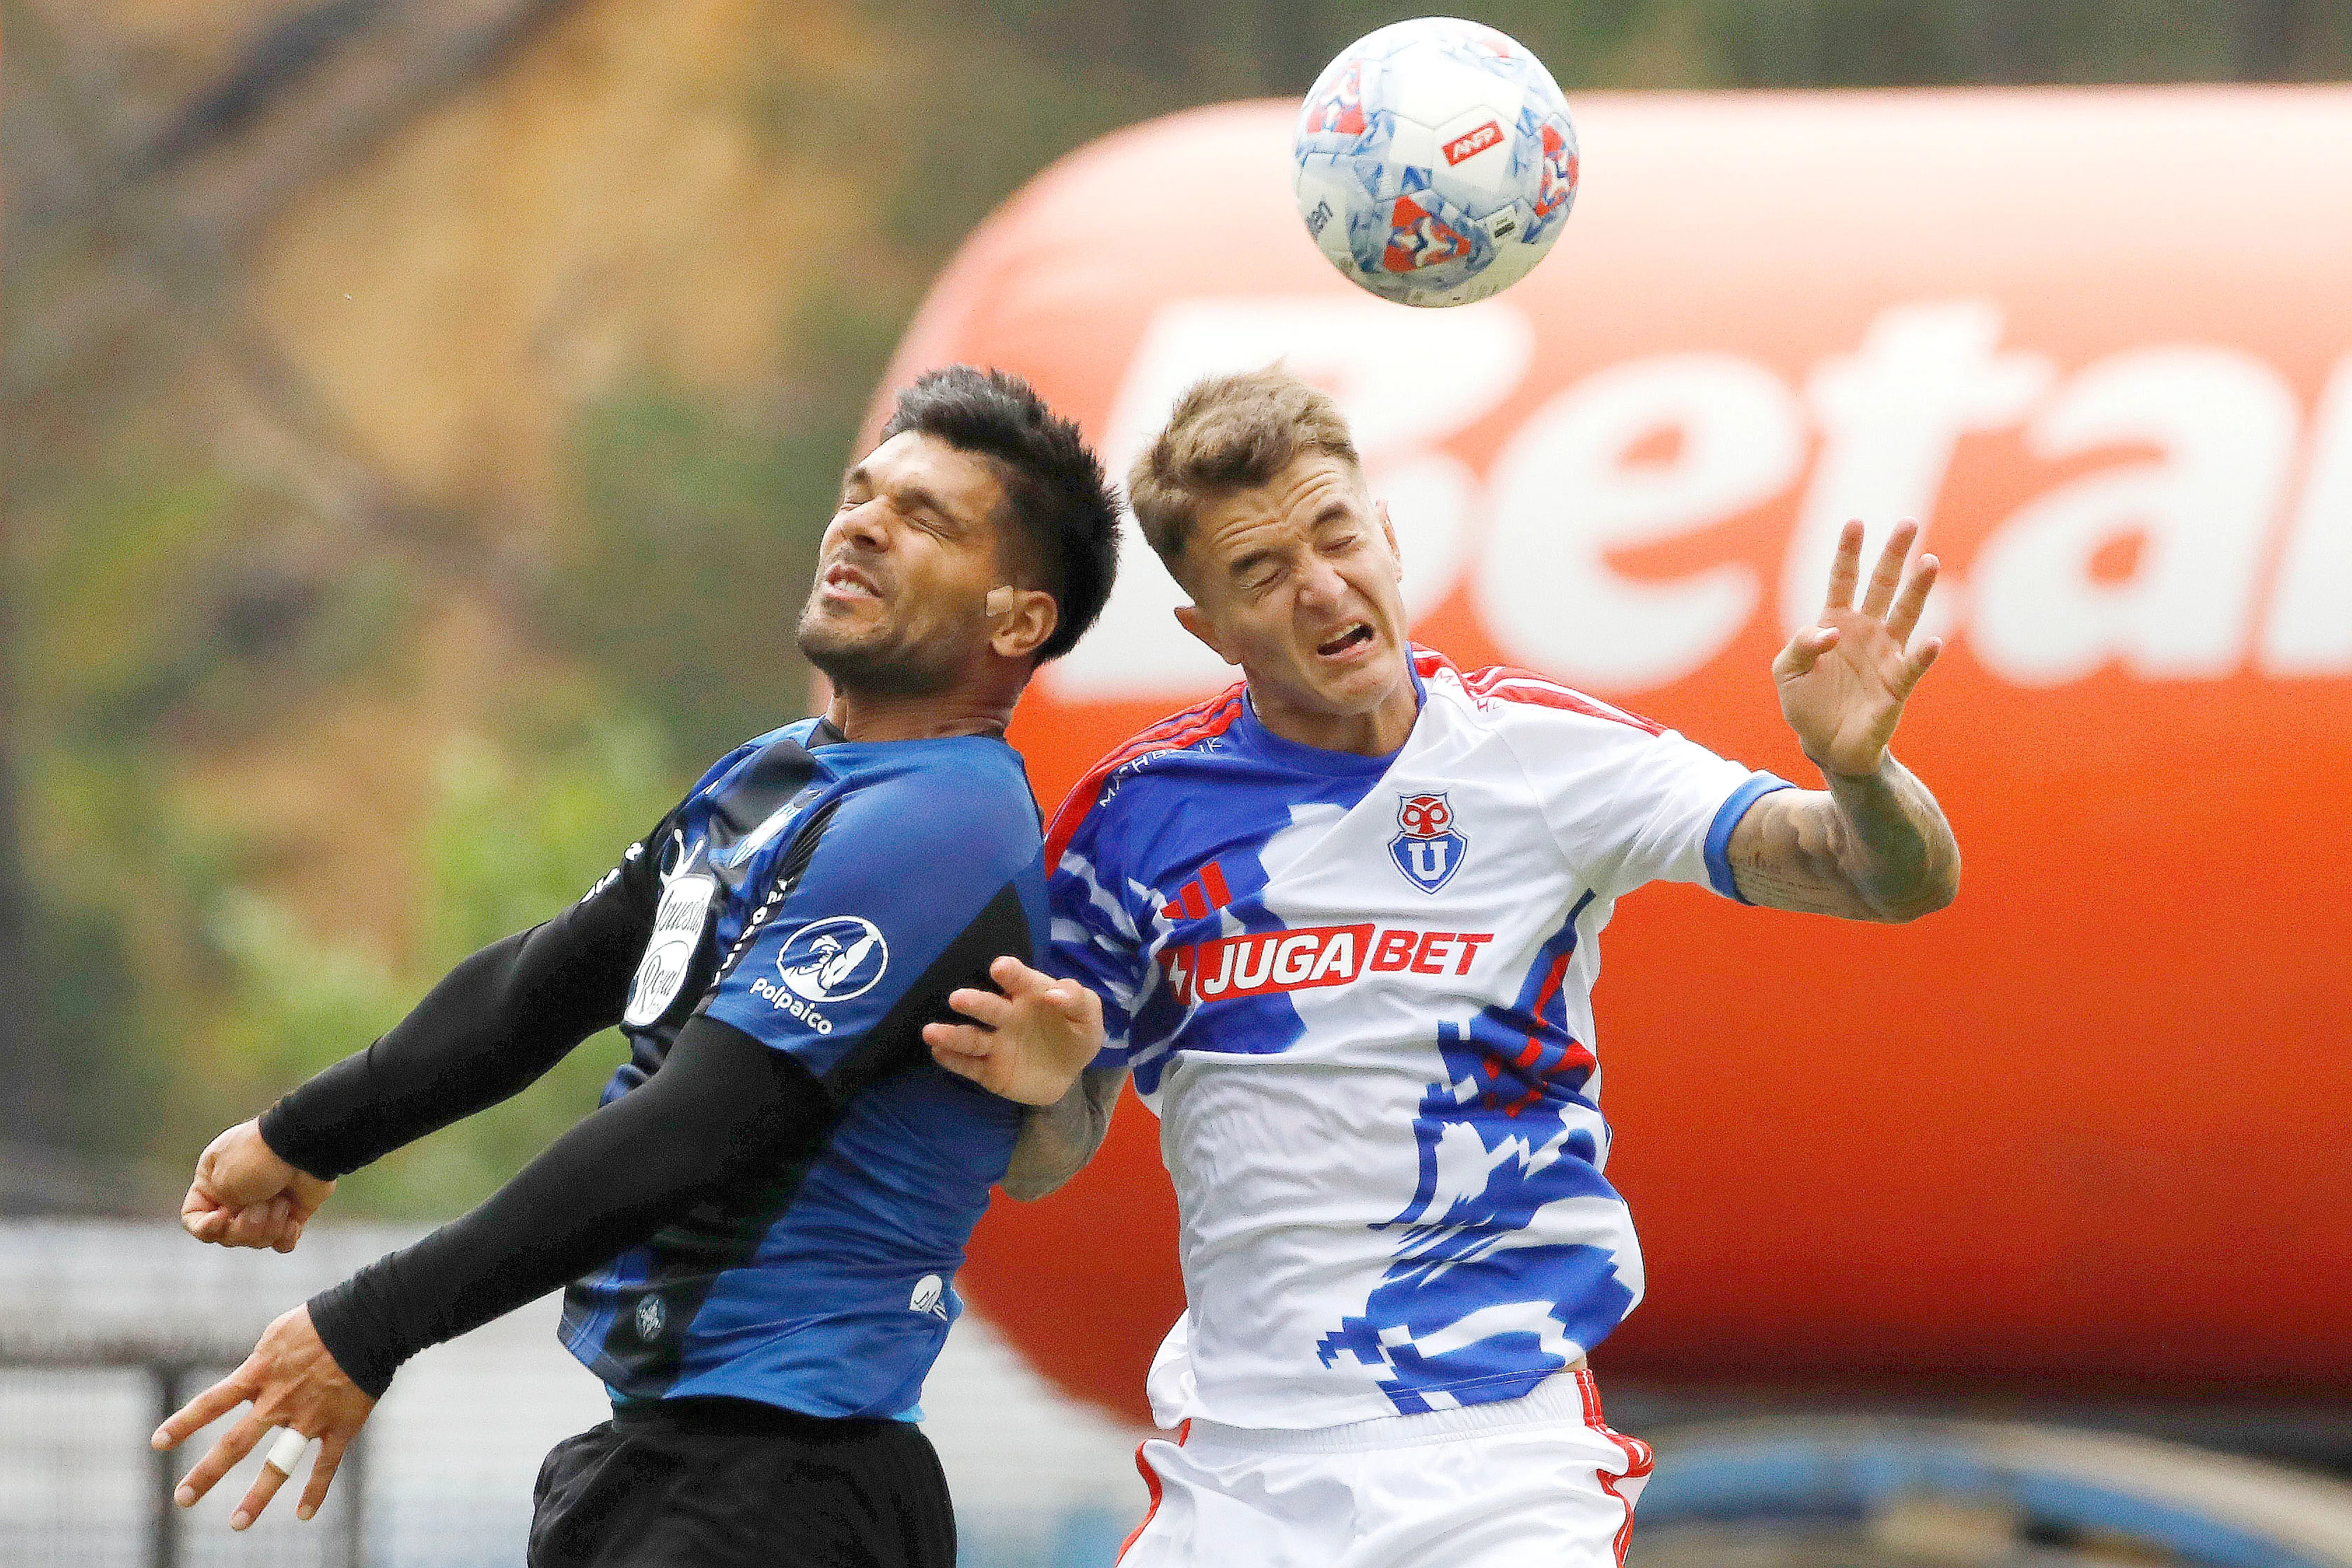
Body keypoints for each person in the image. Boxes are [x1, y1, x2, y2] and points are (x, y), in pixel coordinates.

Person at [925, 366, 1961, 1567]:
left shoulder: (1539, 754)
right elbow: (1047, 1165)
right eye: (1262, 573)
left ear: (1391, 538)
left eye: (1337, 535)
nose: (1322, 589)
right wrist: (1043, 1086)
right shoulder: (1132, 819)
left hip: (1497, 1461)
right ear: (1207, 630)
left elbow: (1889, 878)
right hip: (1243, 1467)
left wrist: (1860, 773)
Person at [153, 364, 1121, 1568]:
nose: (862, 522)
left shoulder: (945, 825)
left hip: (785, 1486)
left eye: (923, 518)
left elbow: (694, 1128)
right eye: (861, 491)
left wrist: (368, 1325)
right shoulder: (775, 773)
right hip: (675, 1467)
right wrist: (308, 1134)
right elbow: (541, 988)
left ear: (1017, 621)